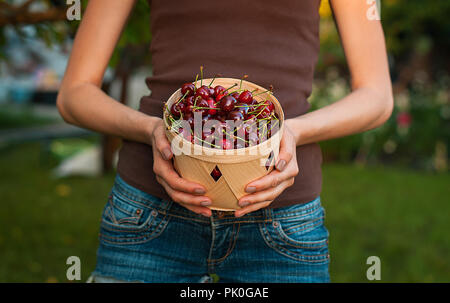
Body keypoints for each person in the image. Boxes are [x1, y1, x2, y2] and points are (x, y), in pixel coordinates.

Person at [57, 0, 393, 283]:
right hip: (149, 209)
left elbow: (376, 96)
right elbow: (74, 94)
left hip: (282, 218)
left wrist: (293, 132)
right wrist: (151, 130)